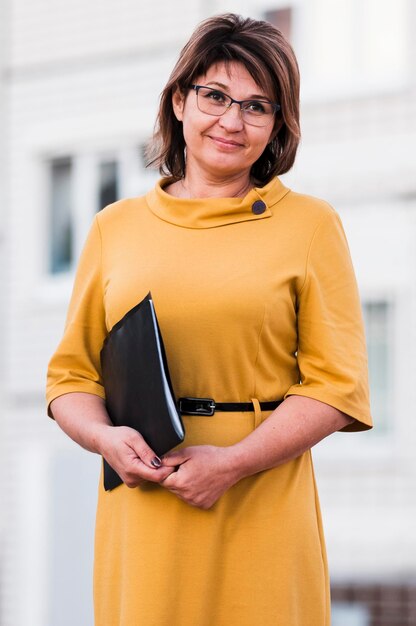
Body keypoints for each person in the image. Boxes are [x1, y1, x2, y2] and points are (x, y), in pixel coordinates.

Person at [46, 13, 372, 626]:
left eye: (258, 106)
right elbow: (71, 379)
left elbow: (337, 386)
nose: (231, 121)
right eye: (214, 96)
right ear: (178, 100)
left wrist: (232, 464)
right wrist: (104, 439)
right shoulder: (114, 227)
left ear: (278, 124)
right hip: (144, 500)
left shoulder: (310, 225)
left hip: (262, 497)